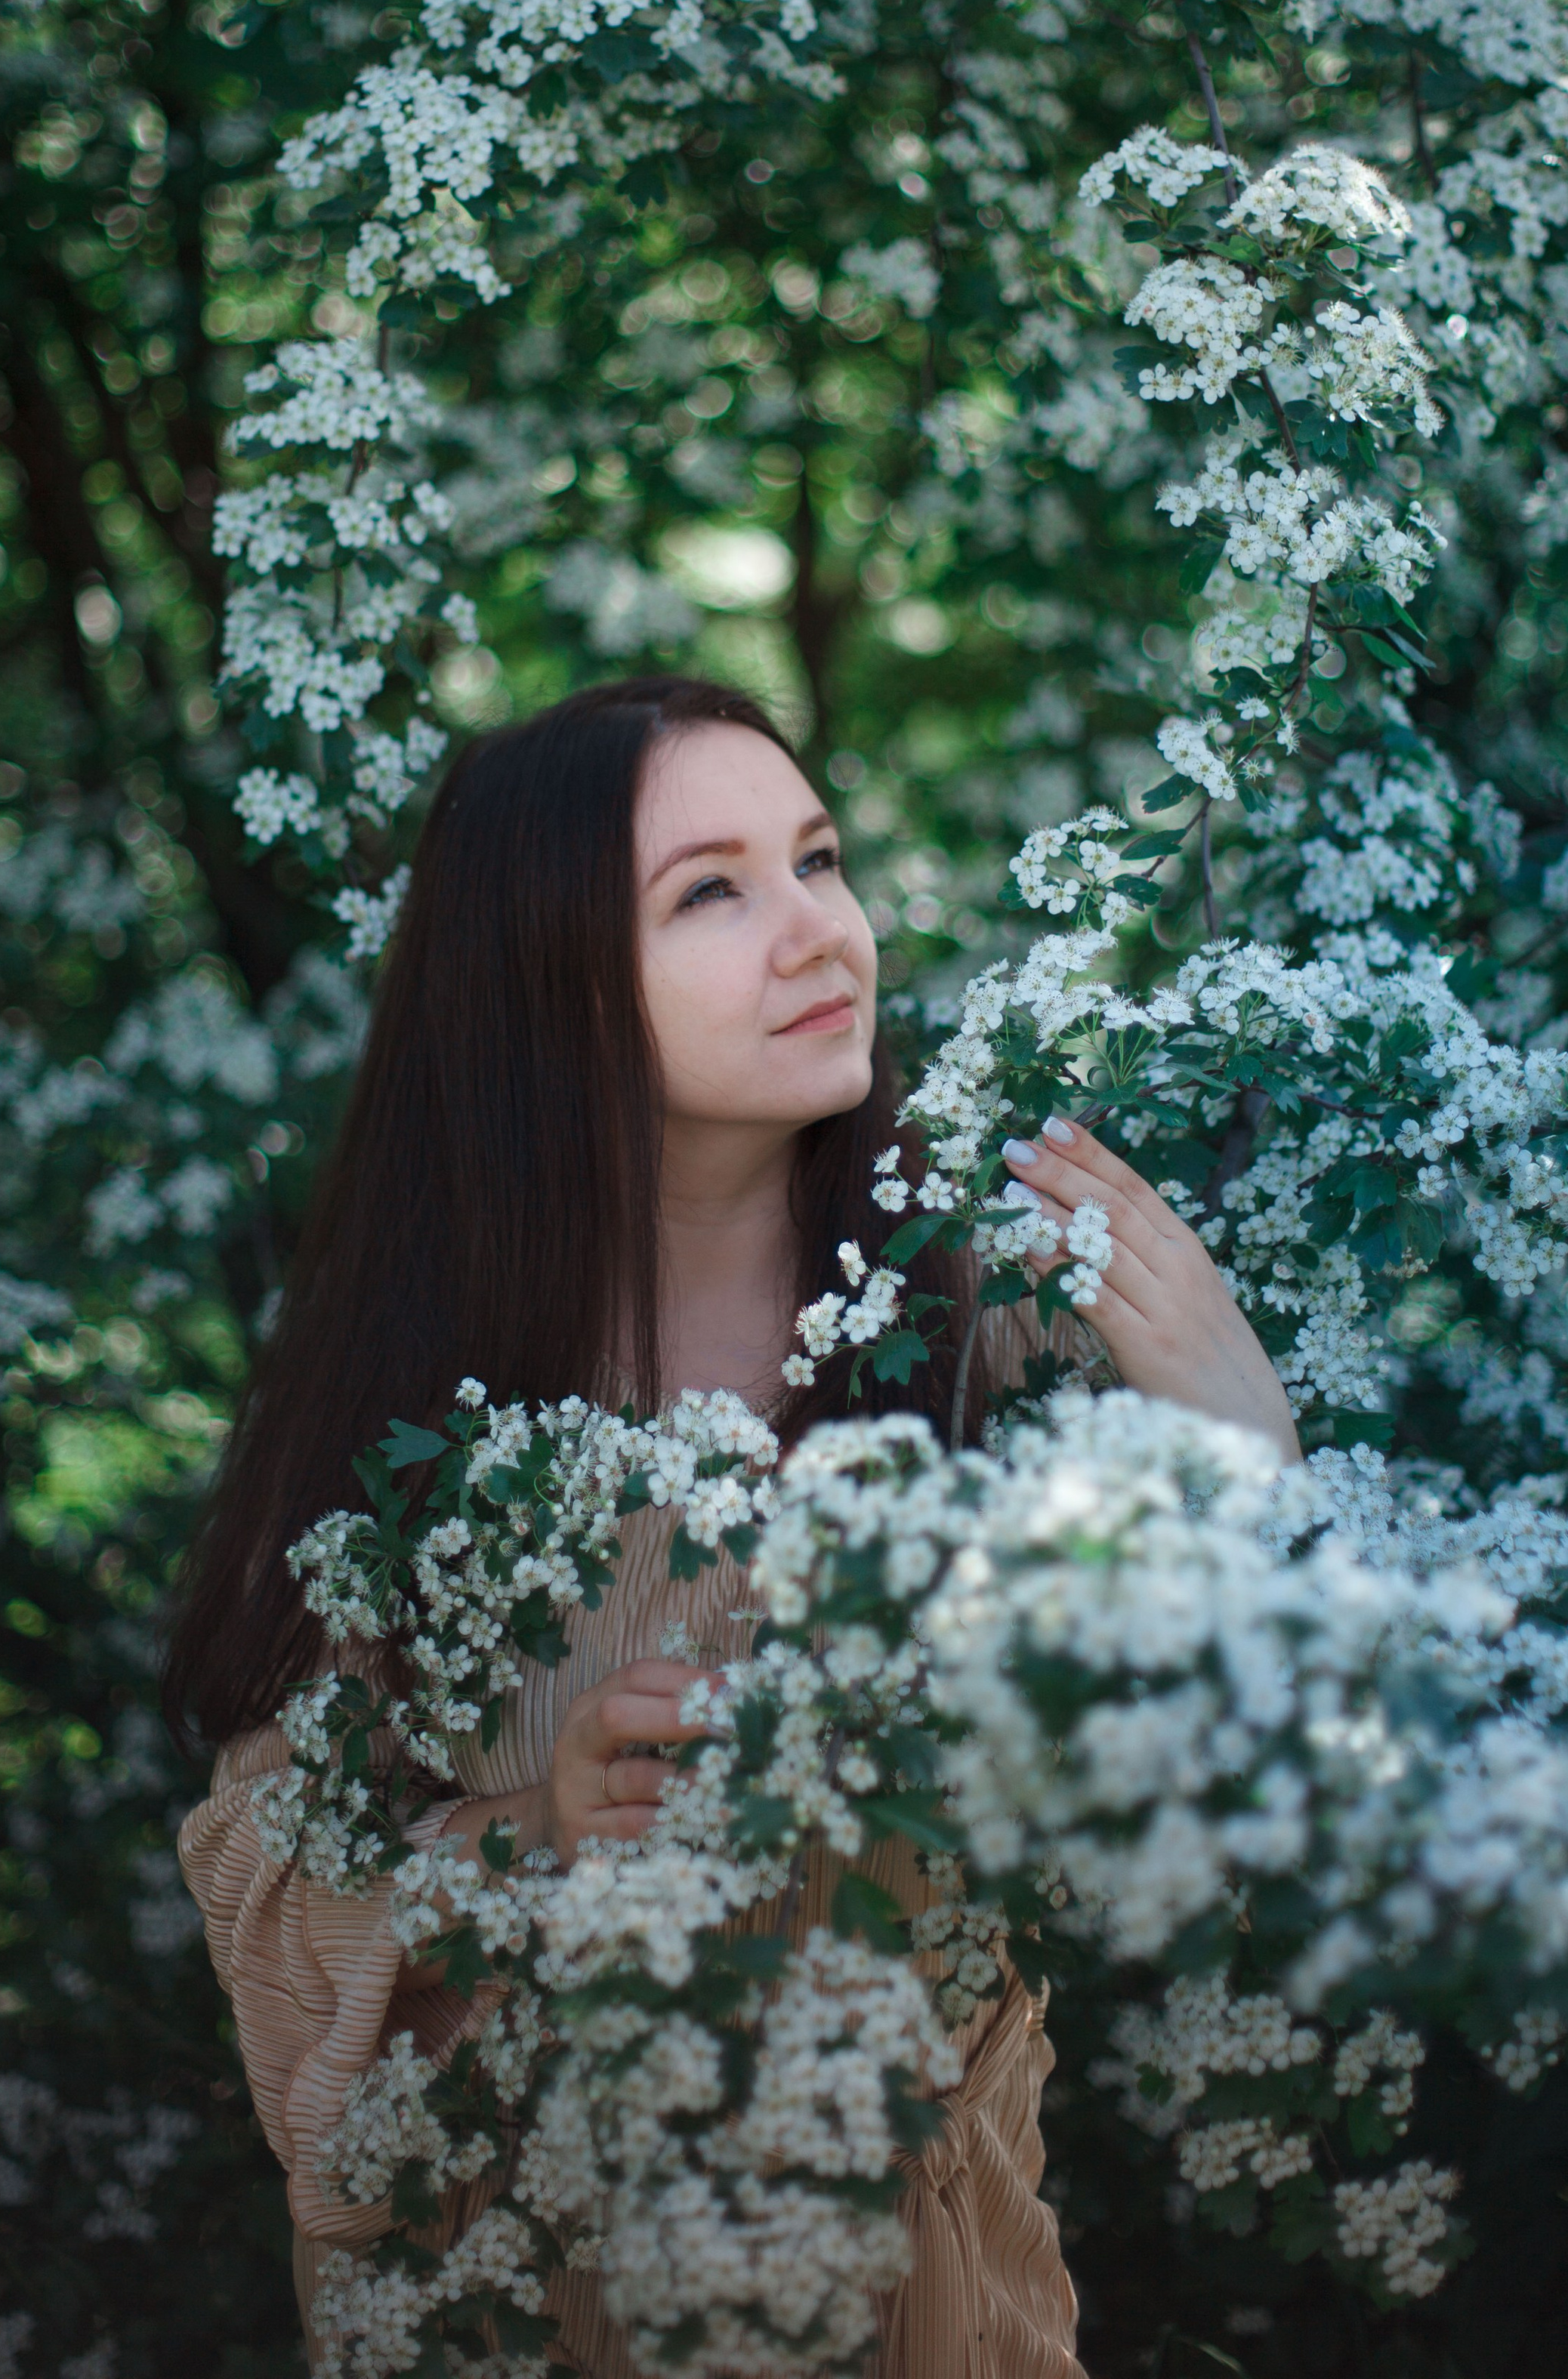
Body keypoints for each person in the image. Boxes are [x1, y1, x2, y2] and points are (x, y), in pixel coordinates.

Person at [165, 676, 1298, 2377]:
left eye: (818, 859)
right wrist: (532, 1840)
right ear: (542, 982)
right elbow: (271, 1927)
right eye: (710, 890)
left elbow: (1260, 1846)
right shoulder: (406, 1422)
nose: (817, 932)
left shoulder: (1002, 1336)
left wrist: (1239, 1459)